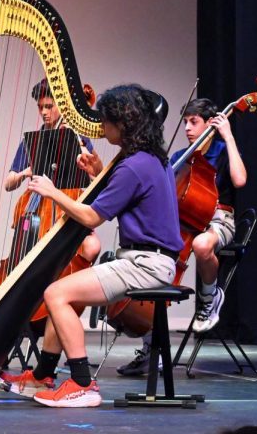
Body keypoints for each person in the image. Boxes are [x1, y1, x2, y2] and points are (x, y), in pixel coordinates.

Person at [25, 84, 181, 408]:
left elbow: (93, 217)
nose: (101, 127)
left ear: (122, 124)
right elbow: (127, 198)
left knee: (56, 293)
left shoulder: (134, 165)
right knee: (60, 291)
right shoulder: (151, 159)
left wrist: (53, 192)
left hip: (144, 264)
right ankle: (53, 374)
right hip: (152, 260)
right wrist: (98, 171)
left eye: (106, 121)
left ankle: (82, 384)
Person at [117, 98, 247, 376]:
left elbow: (239, 181)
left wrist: (229, 136)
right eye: (185, 121)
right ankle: (153, 347)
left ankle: (209, 298)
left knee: (202, 244)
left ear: (210, 123)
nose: (187, 127)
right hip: (184, 222)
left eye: (193, 121)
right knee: (156, 262)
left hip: (218, 218)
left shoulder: (223, 151)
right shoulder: (179, 156)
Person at [0, 79, 106, 395]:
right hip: (36, 226)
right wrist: (24, 173)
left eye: (50, 106)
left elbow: (95, 178)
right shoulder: (33, 141)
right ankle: (35, 363)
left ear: (64, 106)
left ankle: (46, 366)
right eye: (41, 107)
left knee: (88, 248)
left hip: (67, 217)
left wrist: (85, 162)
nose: (45, 112)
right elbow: (7, 183)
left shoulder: (78, 137)